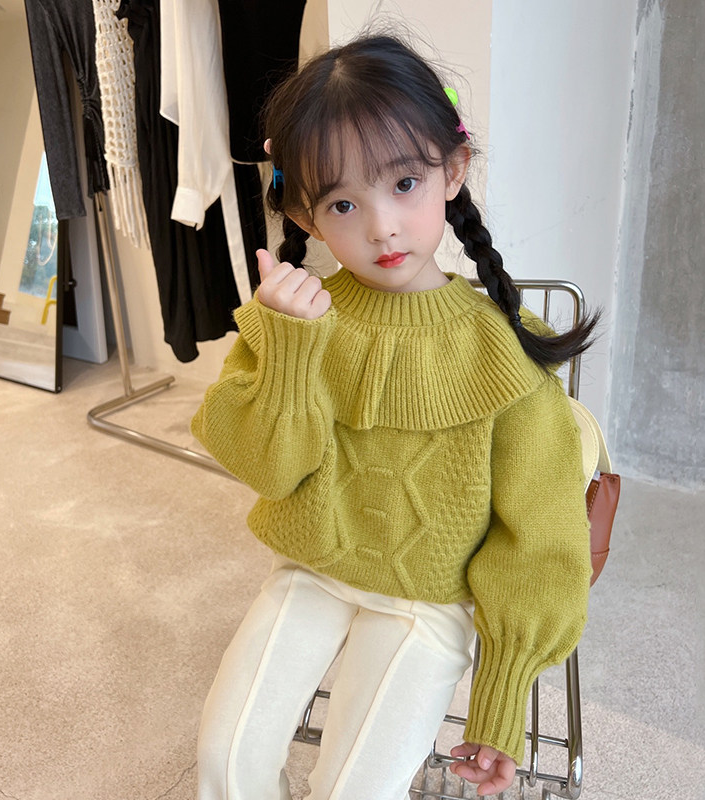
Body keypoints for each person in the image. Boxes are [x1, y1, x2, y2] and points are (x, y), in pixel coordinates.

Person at [190, 32, 597, 800]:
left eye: (405, 183)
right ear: (307, 215)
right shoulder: (295, 317)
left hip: (426, 601)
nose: (381, 226)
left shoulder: (506, 350)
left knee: (357, 788)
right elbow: (270, 470)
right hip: (311, 568)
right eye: (343, 203)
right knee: (224, 757)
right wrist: (292, 347)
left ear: (454, 169)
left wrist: (500, 698)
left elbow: (540, 539)